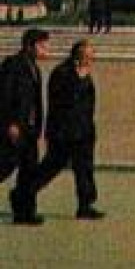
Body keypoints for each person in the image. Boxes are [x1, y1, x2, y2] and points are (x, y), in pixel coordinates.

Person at [32, 40, 102, 220]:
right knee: (51, 167)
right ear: (78, 56)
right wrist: (80, 80)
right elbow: (64, 103)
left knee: (84, 169)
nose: (91, 61)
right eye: (88, 57)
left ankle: (85, 205)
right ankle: (23, 192)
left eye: (92, 57)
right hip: (63, 132)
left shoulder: (82, 74)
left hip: (83, 132)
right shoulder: (62, 73)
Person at [1, 29, 49, 225]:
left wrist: (38, 127)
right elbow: (3, 96)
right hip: (15, 128)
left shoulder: (33, 68)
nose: (46, 49)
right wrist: (9, 123)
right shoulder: (13, 65)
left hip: (29, 129)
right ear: (29, 46)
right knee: (4, 166)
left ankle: (25, 212)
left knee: (29, 171)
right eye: (42, 45)